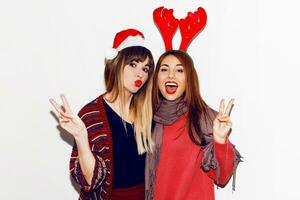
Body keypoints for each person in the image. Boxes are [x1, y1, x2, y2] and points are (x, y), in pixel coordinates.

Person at [145, 6, 242, 200]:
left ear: (189, 78)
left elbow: (222, 178)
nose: (171, 75)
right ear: (156, 77)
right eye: (164, 69)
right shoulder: (146, 117)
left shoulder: (204, 119)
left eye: (179, 70)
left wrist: (220, 140)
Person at [50, 28, 154, 200]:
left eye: (146, 68)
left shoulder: (148, 113)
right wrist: (81, 136)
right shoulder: (92, 115)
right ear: (117, 64)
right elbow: (90, 181)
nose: (140, 74)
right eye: (133, 64)